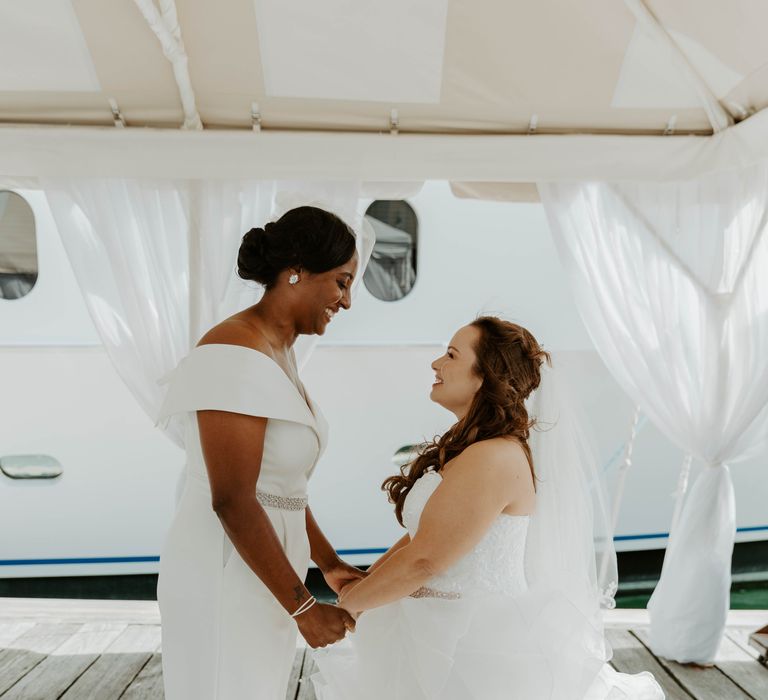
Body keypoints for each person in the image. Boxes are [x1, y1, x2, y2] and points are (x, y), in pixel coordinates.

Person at [312, 317, 664, 699]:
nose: (436, 364)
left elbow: (426, 561)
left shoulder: (493, 457)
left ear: (485, 377)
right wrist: (365, 583)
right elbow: (419, 539)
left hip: (475, 647)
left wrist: (347, 608)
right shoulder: (475, 450)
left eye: (451, 355)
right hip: (432, 632)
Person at [156, 206, 365, 699]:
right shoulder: (234, 351)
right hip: (225, 572)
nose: (347, 300)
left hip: (267, 573)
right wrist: (303, 608)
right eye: (341, 282)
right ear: (297, 271)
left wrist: (329, 564)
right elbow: (232, 497)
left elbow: (282, 488)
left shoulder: (280, 350)